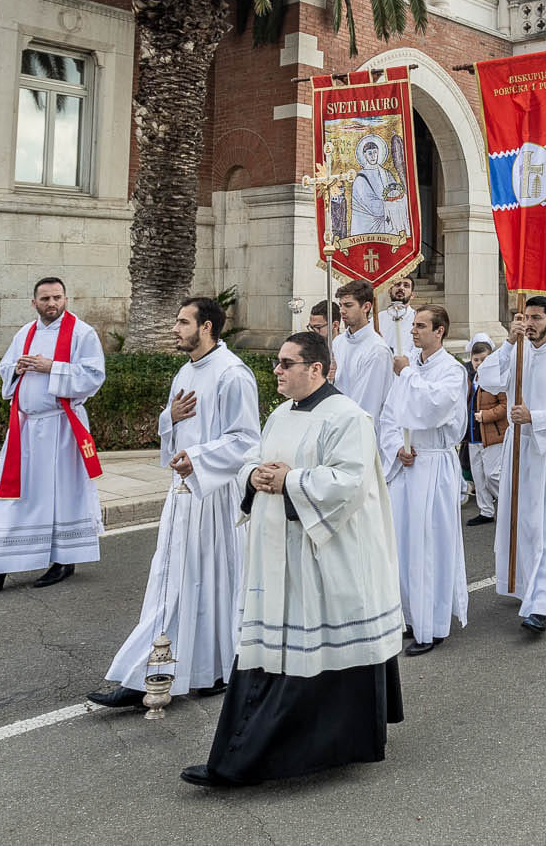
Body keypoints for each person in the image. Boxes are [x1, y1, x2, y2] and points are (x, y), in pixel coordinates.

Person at [183, 332, 403, 788]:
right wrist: (254, 475)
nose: (277, 371)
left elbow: (349, 483)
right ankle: (242, 755)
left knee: (311, 654)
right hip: (277, 554)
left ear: (316, 369)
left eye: (286, 363)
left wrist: (291, 481)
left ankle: (249, 760)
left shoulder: (348, 417)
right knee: (275, 652)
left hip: (321, 557)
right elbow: (253, 458)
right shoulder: (281, 413)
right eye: (278, 363)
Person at [90, 296, 261, 708]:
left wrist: (198, 458)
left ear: (207, 327)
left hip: (214, 497)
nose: (174, 328)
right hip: (183, 493)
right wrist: (170, 418)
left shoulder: (233, 375)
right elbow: (173, 423)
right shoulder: (186, 370)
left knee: (207, 583)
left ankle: (174, 672)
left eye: (183, 322)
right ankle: (184, 668)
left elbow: (246, 440)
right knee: (175, 581)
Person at [0, 277, 105, 594]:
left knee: (63, 496)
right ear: (34, 302)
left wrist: (52, 367)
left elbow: (94, 375)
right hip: (25, 429)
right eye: (45, 298)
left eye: (57, 297)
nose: (52, 303)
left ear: (66, 299)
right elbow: (5, 367)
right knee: (12, 498)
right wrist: (16, 369)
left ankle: (64, 560)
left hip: (61, 429)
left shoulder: (82, 333)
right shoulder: (25, 332)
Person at [477, 296, 546, 634]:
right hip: (516, 447)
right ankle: (526, 583)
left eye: (537, 318)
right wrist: (509, 343)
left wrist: (534, 417)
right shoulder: (516, 353)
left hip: (545, 450)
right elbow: (487, 379)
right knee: (520, 520)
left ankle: (542, 604)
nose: (530, 324)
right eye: (525, 317)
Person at [377, 305, 469, 656]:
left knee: (430, 546)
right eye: (413, 326)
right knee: (403, 544)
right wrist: (396, 447)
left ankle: (432, 626)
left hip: (434, 464)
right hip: (407, 466)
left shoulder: (452, 371)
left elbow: (434, 408)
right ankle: (411, 617)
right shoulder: (410, 367)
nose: (413, 331)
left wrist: (405, 375)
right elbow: (389, 416)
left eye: (420, 325)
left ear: (439, 331)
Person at [331, 278, 395, 421]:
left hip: (360, 425)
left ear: (366, 307)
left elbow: (367, 404)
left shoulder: (377, 350)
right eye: (340, 305)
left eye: (348, 305)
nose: (342, 311)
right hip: (337, 419)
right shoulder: (338, 342)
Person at [464, 332, 500, 526]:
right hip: (472, 435)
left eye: (483, 359)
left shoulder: (495, 380)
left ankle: (511, 503)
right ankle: (486, 511)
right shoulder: (471, 379)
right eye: (476, 359)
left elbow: (505, 406)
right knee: (478, 477)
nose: (479, 363)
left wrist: (486, 415)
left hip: (490, 434)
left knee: (492, 474)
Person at [376, 277, 417, 356]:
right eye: (397, 284)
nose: (401, 288)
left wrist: (389, 350)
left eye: (406, 286)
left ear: (412, 295)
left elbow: (418, 353)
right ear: (389, 291)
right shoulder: (378, 318)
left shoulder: (417, 318)